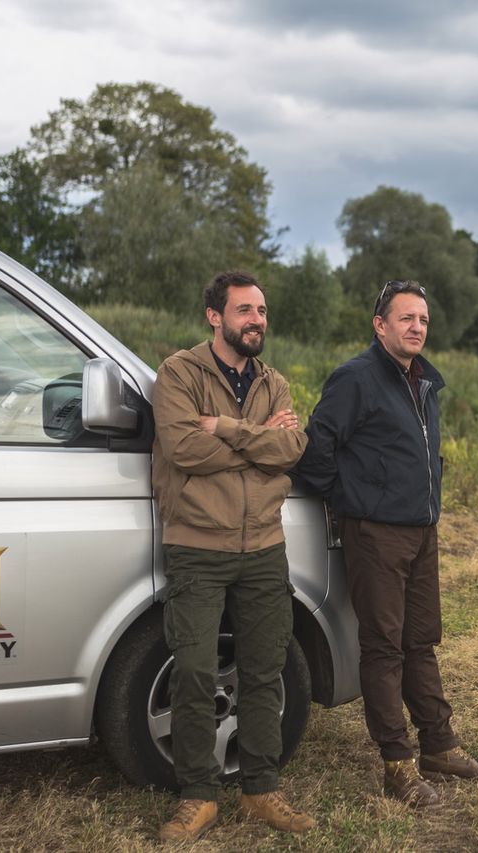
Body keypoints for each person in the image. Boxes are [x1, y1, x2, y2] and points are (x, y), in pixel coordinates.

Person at [293, 279, 478, 808]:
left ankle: (440, 746)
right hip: (375, 533)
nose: (417, 328)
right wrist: (351, 498)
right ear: (380, 325)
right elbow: (317, 451)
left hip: (421, 531)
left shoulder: (423, 383)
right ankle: (397, 764)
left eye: (424, 320)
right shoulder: (356, 378)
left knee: (420, 641)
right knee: (383, 647)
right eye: (407, 318)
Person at [150, 270, 315, 842]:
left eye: (262, 310)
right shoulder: (178, 373)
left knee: (265, 670)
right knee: (194, 672)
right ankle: (198, 797)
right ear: (214, 317)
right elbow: (183, 448)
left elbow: (292, 447)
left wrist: (227, 428)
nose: (257, 320)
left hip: (265, 548)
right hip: (198, 544)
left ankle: (260, 789)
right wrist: (255, 439)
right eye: (245, 310)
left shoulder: (275, 381)